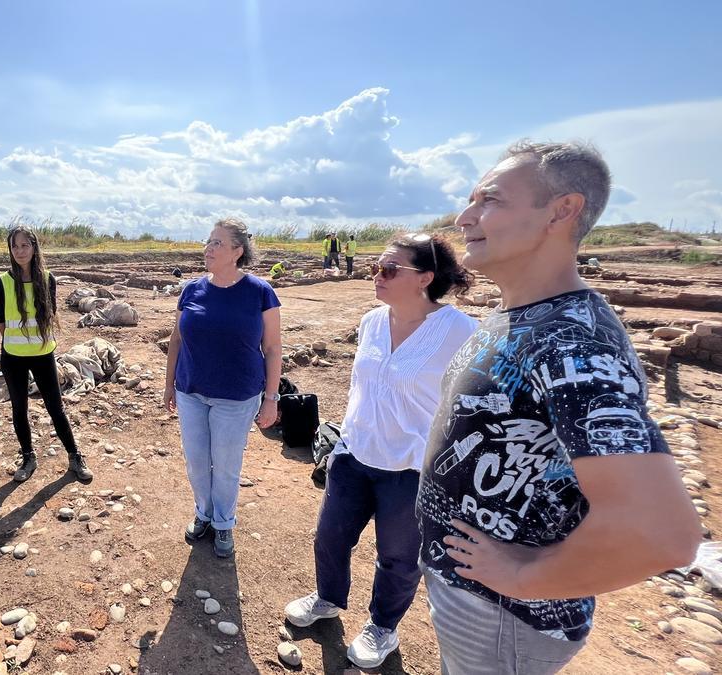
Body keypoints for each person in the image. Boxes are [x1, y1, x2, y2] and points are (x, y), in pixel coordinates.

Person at [418, 141, 699, 673]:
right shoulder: (521, 316)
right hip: (479, 599)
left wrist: (524, 577)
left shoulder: (573, 344)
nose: (464, 217)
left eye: (490, 200)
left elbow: (664, 533)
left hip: (504, 616)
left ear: (562, 210)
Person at [284, 233, 475, 669]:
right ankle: (328, 599)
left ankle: (383, 627)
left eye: (389, 269)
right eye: (376, 267)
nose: (377, 275)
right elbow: (360, 387)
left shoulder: (462, 333)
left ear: (424, 278)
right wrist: (342, 443)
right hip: (355, 454)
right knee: (330, 537)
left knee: (399, 557)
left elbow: (473, 409)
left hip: (412, 468)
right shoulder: (372, 321)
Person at [163, 218, 282, 558]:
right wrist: (168, 384)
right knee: (197, 463)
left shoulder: (260, 292)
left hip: (238, 396)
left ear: (237, 251)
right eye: (208, 241)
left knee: (226, 465)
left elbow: (272, 349)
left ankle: (224, 523)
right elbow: (177, 339)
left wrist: (271, 399)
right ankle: (204, 514)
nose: (208, 248)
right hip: (191, 391)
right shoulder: (192, 289)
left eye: (217, 242)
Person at [0, 225, 93, 483]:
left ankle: (74, 456)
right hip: (13, 357)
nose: (19, 251)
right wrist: (18, 342)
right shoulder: (3, 282)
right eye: (15, 246)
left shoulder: (47, 279)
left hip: (42, 354)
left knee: (55, 408)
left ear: (34, 247)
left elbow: (50, 315)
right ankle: (28, 456)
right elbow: (1, 321)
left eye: (24, 245)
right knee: (19, 408)